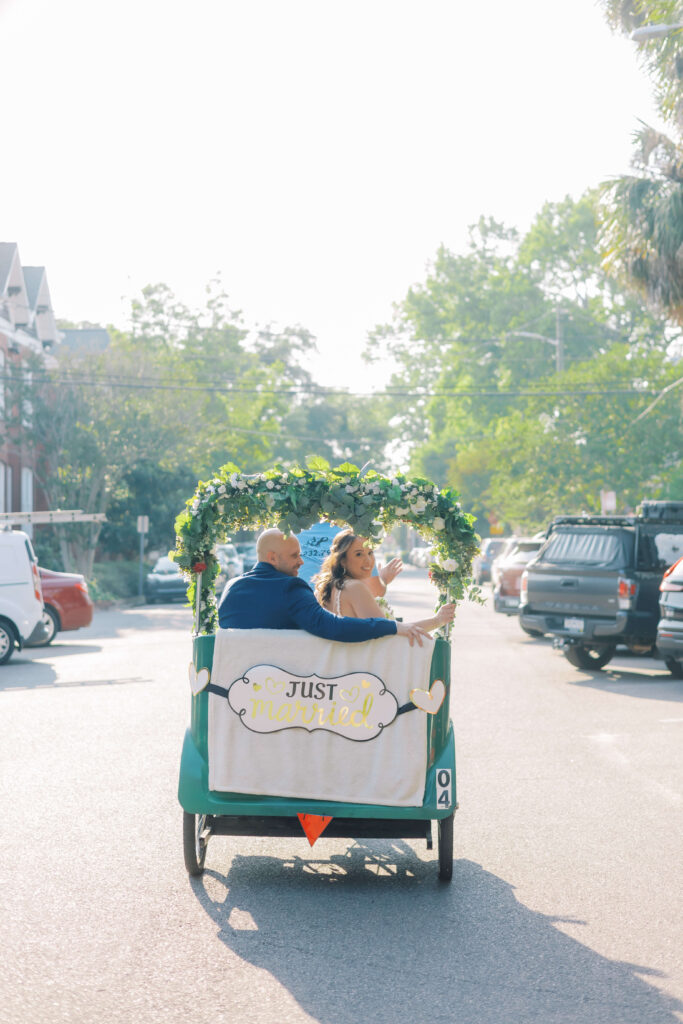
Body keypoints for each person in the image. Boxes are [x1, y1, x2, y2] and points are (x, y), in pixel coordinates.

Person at [218, 528, 431, 645]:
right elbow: (332, 627)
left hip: (238, 684)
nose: (301, 562)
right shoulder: (291, 588)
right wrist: (393, 626)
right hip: (282, 688)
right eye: (295, 556)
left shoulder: (231, 587)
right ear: (272, 557)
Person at [313, 530, 455, 631]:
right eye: (358, 554)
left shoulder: (332, 586)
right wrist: (437, 620)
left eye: (370, 553)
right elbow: (389, 632)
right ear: (342, 560)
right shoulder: (354, 587)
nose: (368, 560)